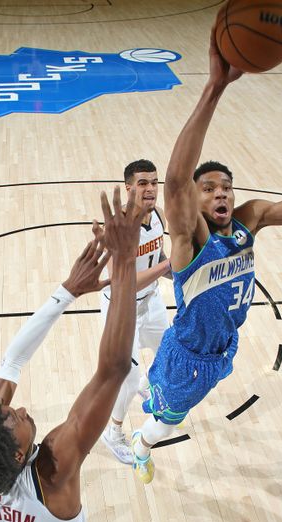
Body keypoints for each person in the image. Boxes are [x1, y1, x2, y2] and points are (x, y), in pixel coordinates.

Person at [128, 20, 282, 485]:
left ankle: (156, 402)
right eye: (207, 189)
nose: (221, 194)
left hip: (223, 345)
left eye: (226, 187)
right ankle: (140, 444)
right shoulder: (191, 239)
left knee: (174, 403)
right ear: (194, 201)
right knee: (168, 420)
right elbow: (174, 182)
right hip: (190, 352)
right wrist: (214, 88)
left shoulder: (249, 220)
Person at [0, 187, 146, 522]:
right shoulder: (52, 471)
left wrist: (67, 291)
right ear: (19, 456)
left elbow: (12, 361)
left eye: (10, 409)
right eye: (15, 419)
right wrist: (125, 259)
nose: (20, 409)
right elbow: (114, 370)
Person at [99, 160, 172, 464]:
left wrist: (179, 270)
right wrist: (169, 266)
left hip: (151, 300)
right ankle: (112, 433)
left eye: (154, 182)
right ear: (128, 188)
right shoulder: (118, 228)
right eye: (143, 183)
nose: (151, 189)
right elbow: (122, 282)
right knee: (126, 377)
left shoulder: (158, 215)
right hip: (121, 308)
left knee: (169, 351)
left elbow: (160, 256)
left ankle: (146, 388)